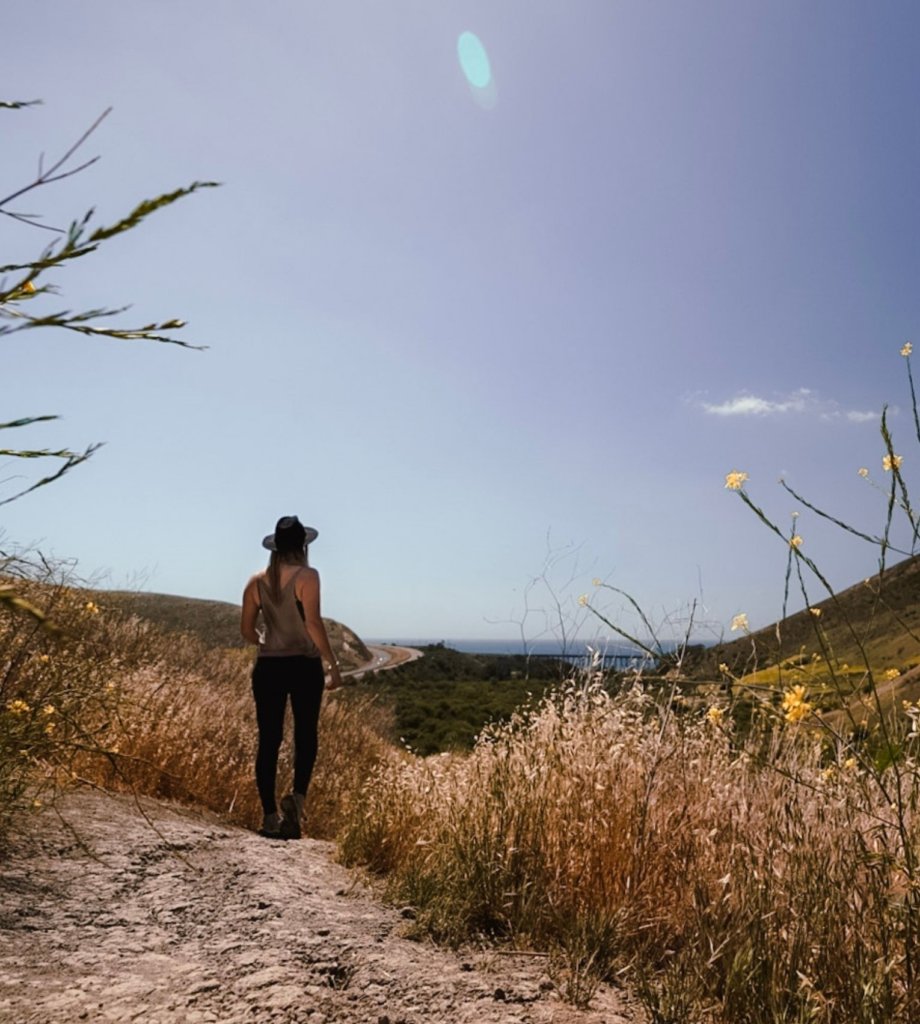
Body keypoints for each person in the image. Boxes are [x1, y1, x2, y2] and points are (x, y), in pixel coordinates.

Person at [240, 515, 343, 839]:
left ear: (275, 546)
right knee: (305, 737)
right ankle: (296, 805)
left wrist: (265, 641)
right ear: (302, 546)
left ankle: (269, 816)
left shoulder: (256, 581)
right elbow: (313, 623)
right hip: (303, 665)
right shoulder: (307, 576)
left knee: (269, 741)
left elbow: (246, 631)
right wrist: (333, 663)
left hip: (268, 668)